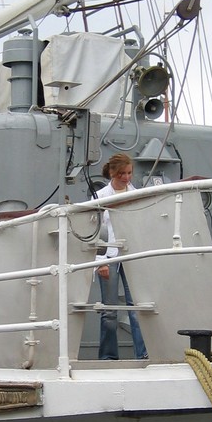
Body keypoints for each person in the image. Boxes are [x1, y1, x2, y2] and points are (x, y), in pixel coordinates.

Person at [95, 153, 148, 360]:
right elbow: (96, 231)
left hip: (132, 255)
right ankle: (108, 357)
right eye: (122, 174)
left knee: (137, 308)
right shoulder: (100, 196)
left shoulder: (137, 195)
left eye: (129, 173)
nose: (126, 178)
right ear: (112, 173)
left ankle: (143, 355)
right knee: (109, 311)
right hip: (109, 255)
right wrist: (100, 262)